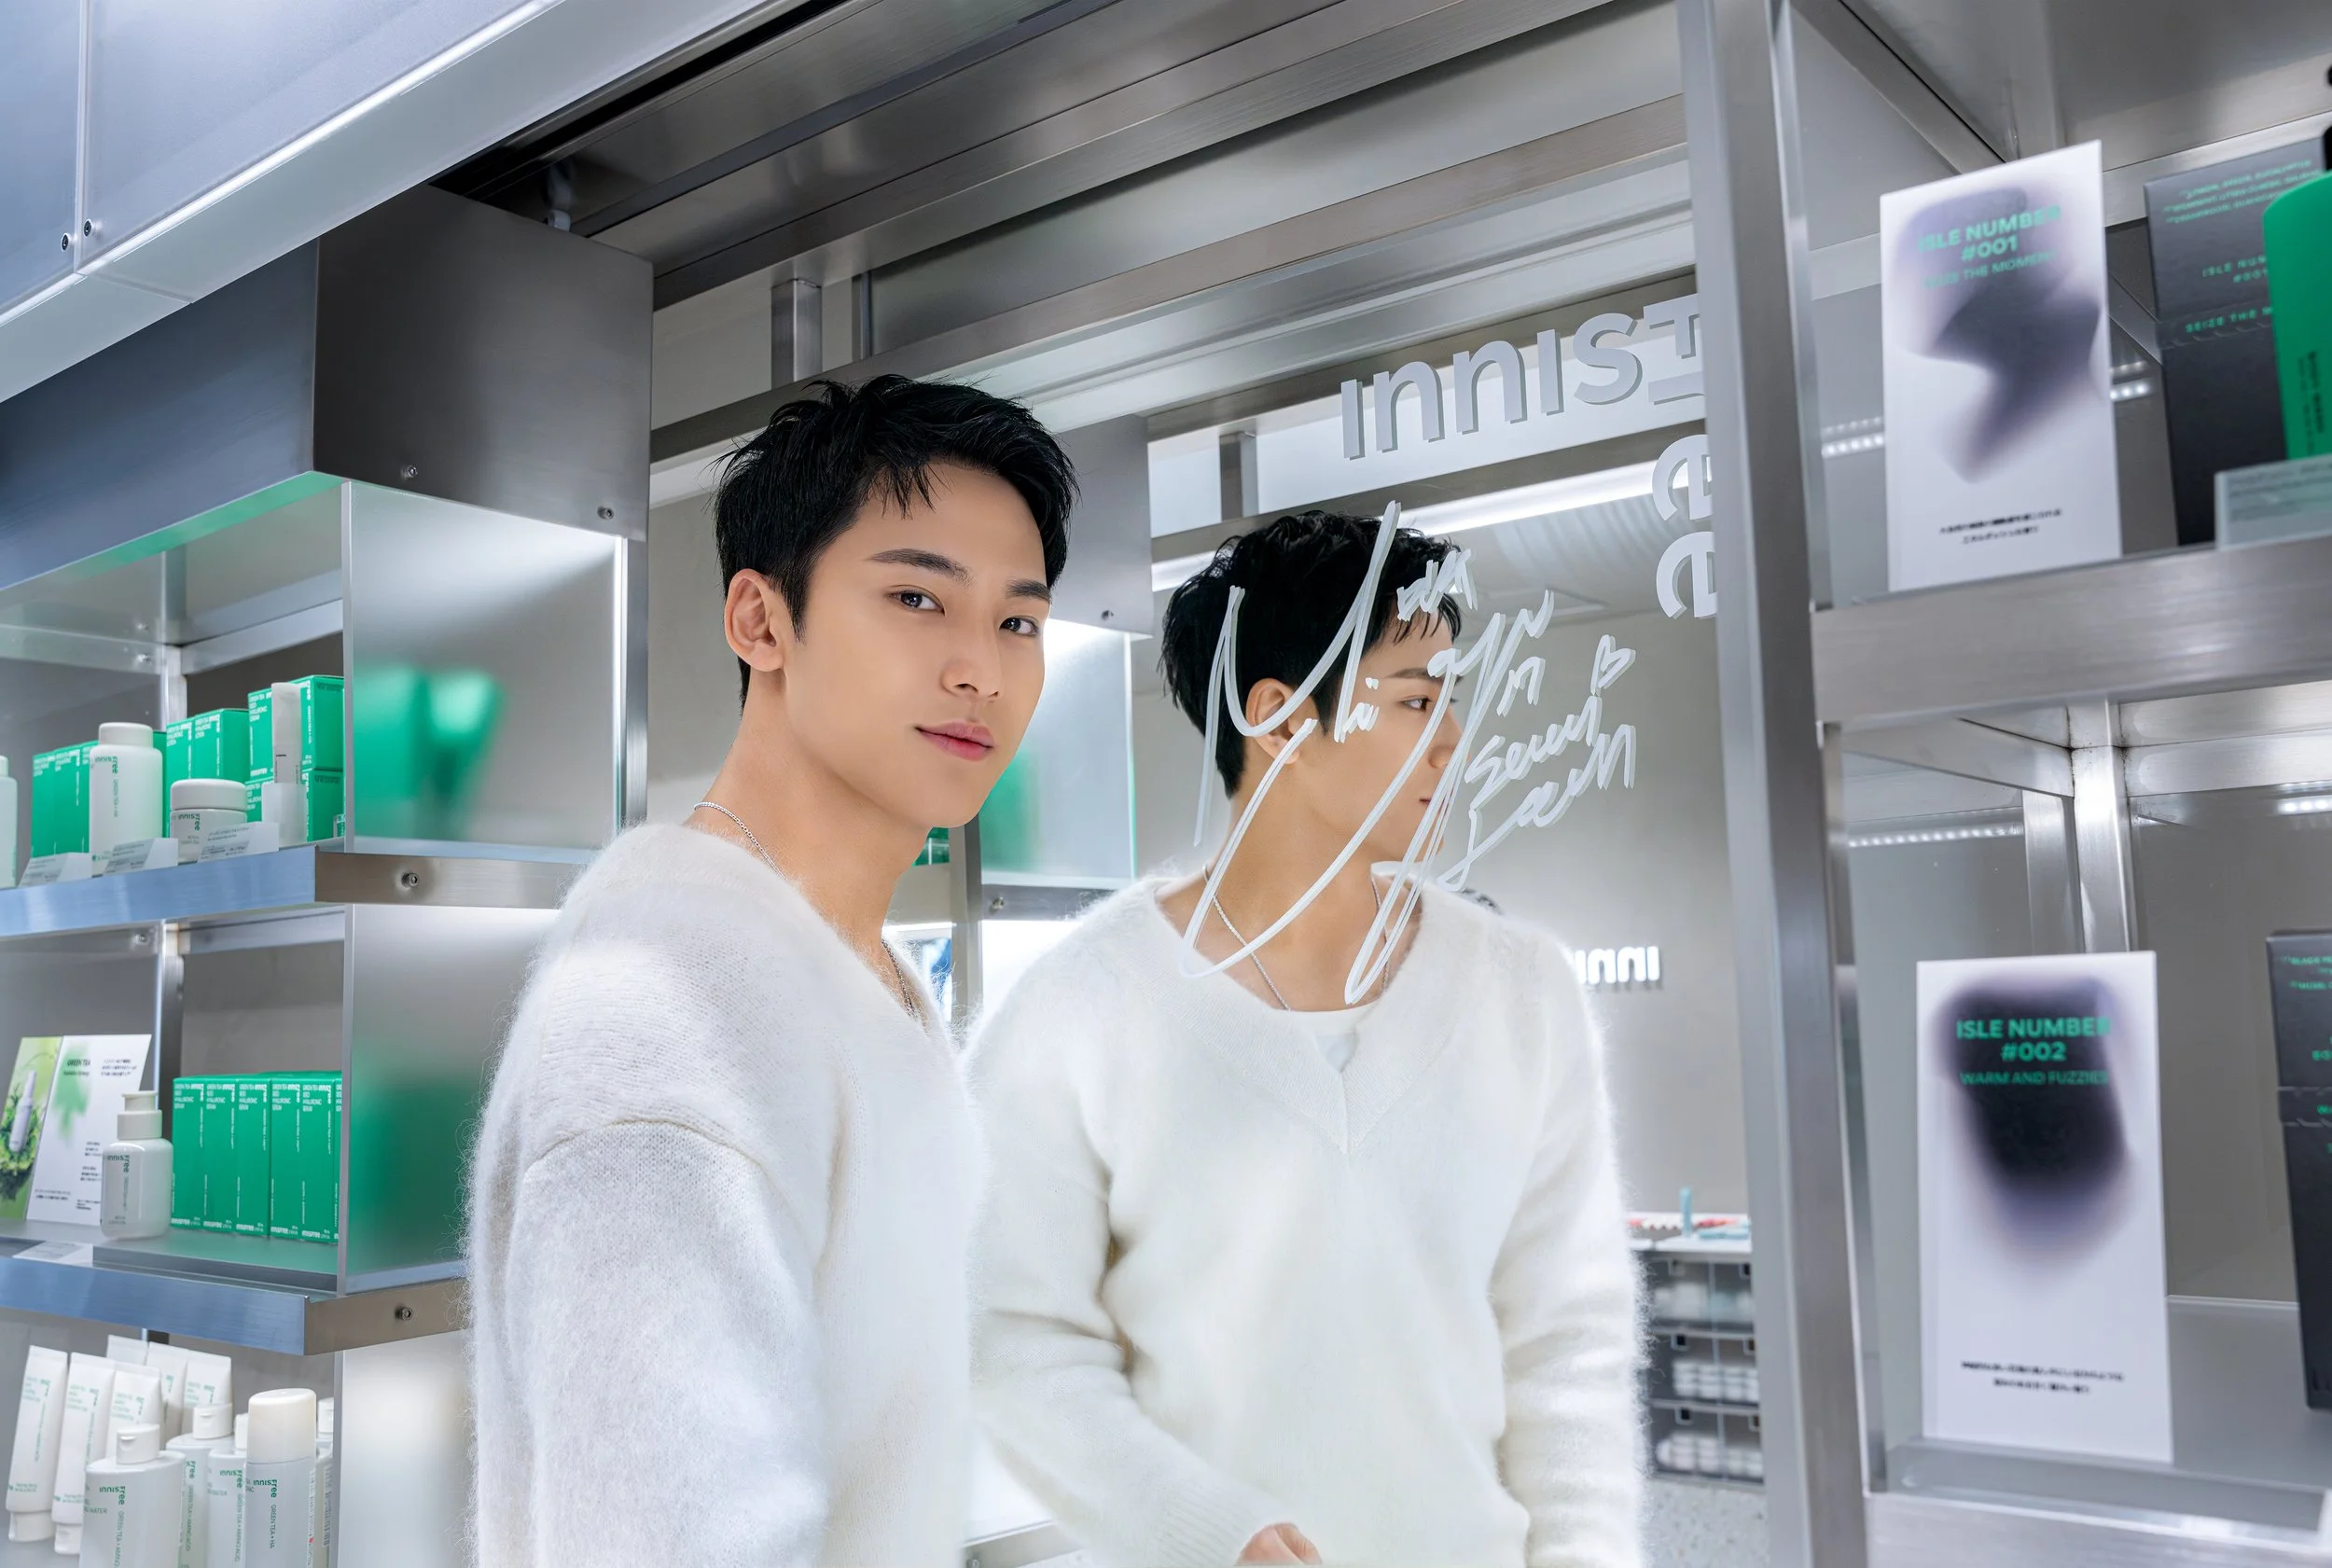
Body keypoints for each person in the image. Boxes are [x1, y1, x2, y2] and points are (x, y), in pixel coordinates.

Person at [467, 375, 1076, 1567]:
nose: (981, 671)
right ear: (760, 622)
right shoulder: (665, 1014)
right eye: (915, 597)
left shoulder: (861, 972)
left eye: (1017, 621)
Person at [966, 510, 1641, 1567]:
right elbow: (1013, 1340)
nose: (1453, 739)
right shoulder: (1081, 1006)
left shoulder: (1521, 993)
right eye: (1417, 701)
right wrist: (1207, 1529)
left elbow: (1568, 1349)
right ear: (1277, 720)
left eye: (1451, 700)